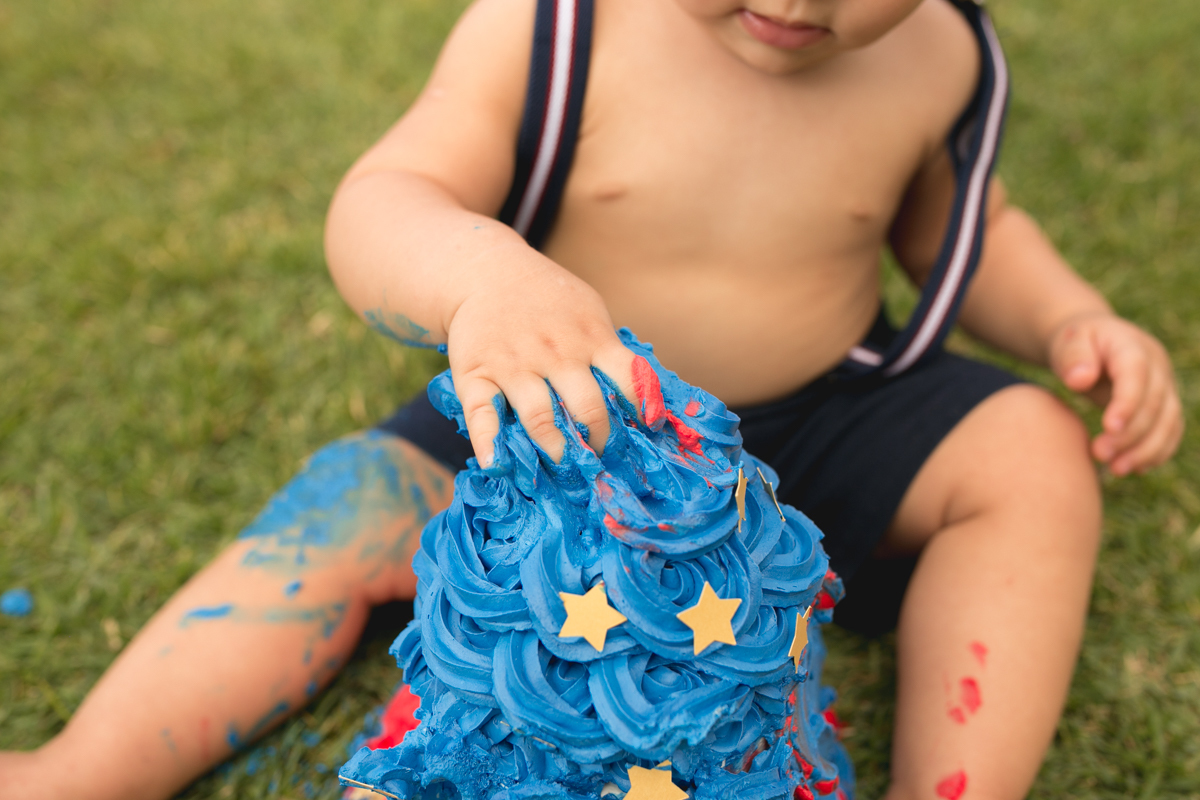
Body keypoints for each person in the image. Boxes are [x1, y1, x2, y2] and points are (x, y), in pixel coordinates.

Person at [0, 0, 1182, 798]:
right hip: (548, 430)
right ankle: (84, 768)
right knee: (348, 498)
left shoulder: (941, 53)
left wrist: (1067, 317)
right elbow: (386, 194)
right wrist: (483, 277)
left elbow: (962, 227)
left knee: (1031, 448)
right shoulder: (554, 26)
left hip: (811, 434)